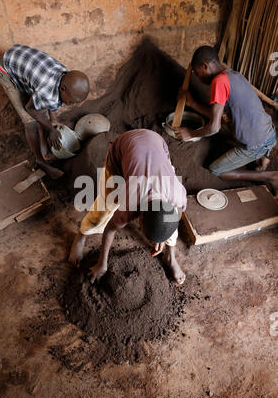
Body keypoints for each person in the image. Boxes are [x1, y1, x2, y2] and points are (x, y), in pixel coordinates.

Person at [69, 129, 187, 285]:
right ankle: (82, 235)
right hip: (123, 148)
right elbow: (111, 228)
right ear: (140, 217)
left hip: (157, 143)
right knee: (103, 209)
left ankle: (170, 256)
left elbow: (171, 219)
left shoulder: (178, 196)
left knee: (168, 223)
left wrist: (162, 236)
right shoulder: (131, 201)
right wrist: (101, 264)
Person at [176, 46, 278, 197]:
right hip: (268, 132)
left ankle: (270, 177)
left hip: (256, 142)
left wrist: (191, 133)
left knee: (217, 170)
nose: (197, 78)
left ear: (205, 66)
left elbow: (214, 127)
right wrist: (193, 104)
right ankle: (263, 158)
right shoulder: (232, 75)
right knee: (227, 125)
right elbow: (217, 115)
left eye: (197, 73)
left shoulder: (219, 82)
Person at [0, 44, 90, 178]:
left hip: (19, 60)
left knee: (41, 107)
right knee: (30, 122)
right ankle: (40, 161)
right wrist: (51, 129)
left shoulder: (65, 74)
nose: (72, 104)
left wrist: (54, 120)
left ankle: (44, 141)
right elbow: (30, 108)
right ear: (62, 89)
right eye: (72, 101)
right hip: (5, 70)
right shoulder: (47, 90)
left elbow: (50, 99)